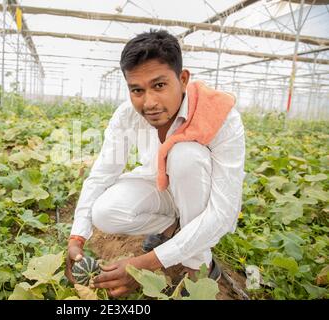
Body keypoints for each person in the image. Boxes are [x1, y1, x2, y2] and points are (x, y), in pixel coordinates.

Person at [65, 29, 246, 298]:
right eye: (137, 90)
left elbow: (224, 213)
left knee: (185, 154)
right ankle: (172, 229)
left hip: (202, 195)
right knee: (104, 212)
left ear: (183, 79)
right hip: (161, 188)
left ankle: (200, 267)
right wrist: (77, 236)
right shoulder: (126, 115)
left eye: (159, 86)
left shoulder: (222, 118)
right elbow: (102, 174)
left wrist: (144, 264)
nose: (148, 103)